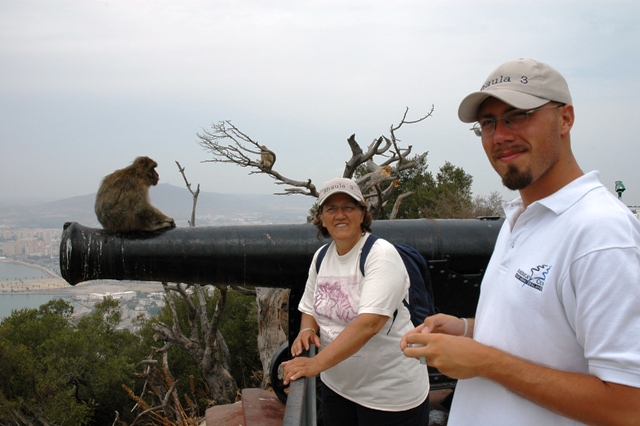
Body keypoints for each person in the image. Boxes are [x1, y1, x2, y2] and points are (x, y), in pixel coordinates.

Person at [401, 58, 640, 425]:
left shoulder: (601, 233)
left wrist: (484, 362)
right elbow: (546, 334)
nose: (500, 136)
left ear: (565, 119)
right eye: (488, 123)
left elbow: (629, 406)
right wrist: (466, 329)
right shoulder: (521, 218)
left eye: (517, 115)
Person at [282, 177, 430, 426]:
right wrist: (307, 329)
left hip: (388, 394)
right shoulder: (322, 257)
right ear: (322, 218)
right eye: (331, 208)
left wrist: (316, 363)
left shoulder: (380, 255)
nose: (340, 214)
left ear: (362, 214)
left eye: (348, 207)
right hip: (338, 387)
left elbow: (369, 325)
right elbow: (309, 307)